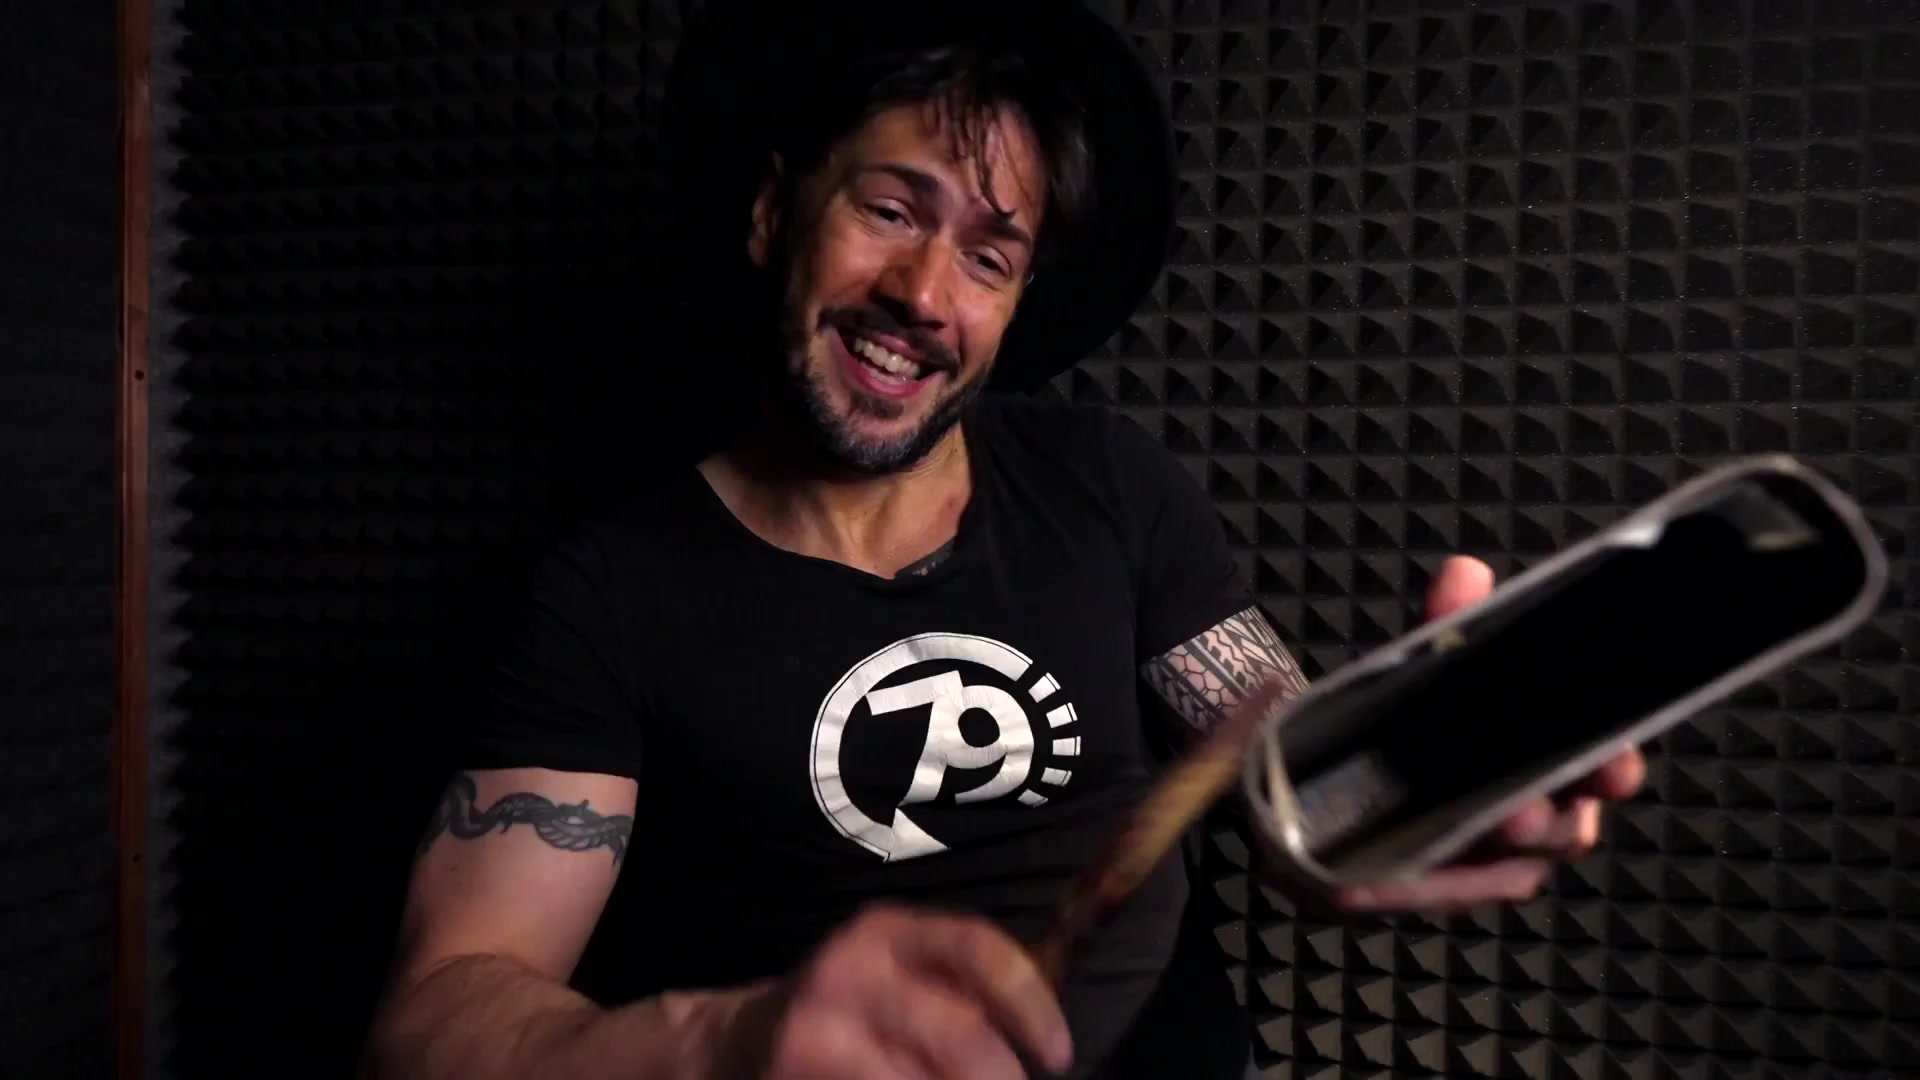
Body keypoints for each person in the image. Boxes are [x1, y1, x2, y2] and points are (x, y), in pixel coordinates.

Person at [361, 3, 1646, 1077]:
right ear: (772, 214)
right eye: (890, 209)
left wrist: (1414, 795)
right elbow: (434, 1017)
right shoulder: (608, 592)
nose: (924, 295)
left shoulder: (1109, 483)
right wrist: (720, 1043)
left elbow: (1283, 777)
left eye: (989, 256)